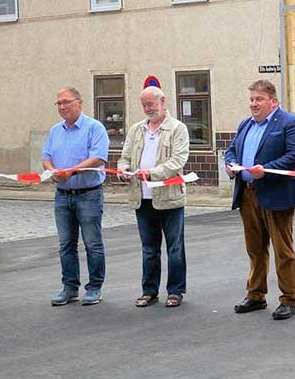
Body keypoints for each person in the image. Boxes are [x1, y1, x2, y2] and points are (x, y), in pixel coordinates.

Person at [224, 80, 295, 320]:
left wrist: (266, 169)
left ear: (273, 101)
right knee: (255, 249)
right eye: (251, 99)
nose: (253, 104)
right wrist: (230, 164)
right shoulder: (245, 125)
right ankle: (256, 294)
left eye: (259, 99)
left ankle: (289, 297)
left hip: (276, 194)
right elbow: (231, 150)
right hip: (247, 194)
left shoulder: (290, 122)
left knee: (283, 250)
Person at [117, 87, 190, 308]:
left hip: (169, 197)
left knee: (174, 247)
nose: (148, 108)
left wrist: (152, 173)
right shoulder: (136, 130)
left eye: (151, 104)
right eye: (144, 105)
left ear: (163, 101)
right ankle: (149, 291)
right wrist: (123, 170)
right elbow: (125, 157)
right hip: (142, 197)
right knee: (149, 247)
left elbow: (178, 160)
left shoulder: (177, 128)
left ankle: (175, 291)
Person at [43, 87, 109, 306]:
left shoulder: (94, 128)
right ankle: (70, 287)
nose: (62, 107)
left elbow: (98, 158)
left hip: (88, 194)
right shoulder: (55, 130)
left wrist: (70, 171)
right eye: (59, 103)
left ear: (79, 103)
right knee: (66, 244)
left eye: (66, 102)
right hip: (62, 195)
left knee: (92, 243)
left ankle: (94, 287)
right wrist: (52, 170)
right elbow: (46, 157)